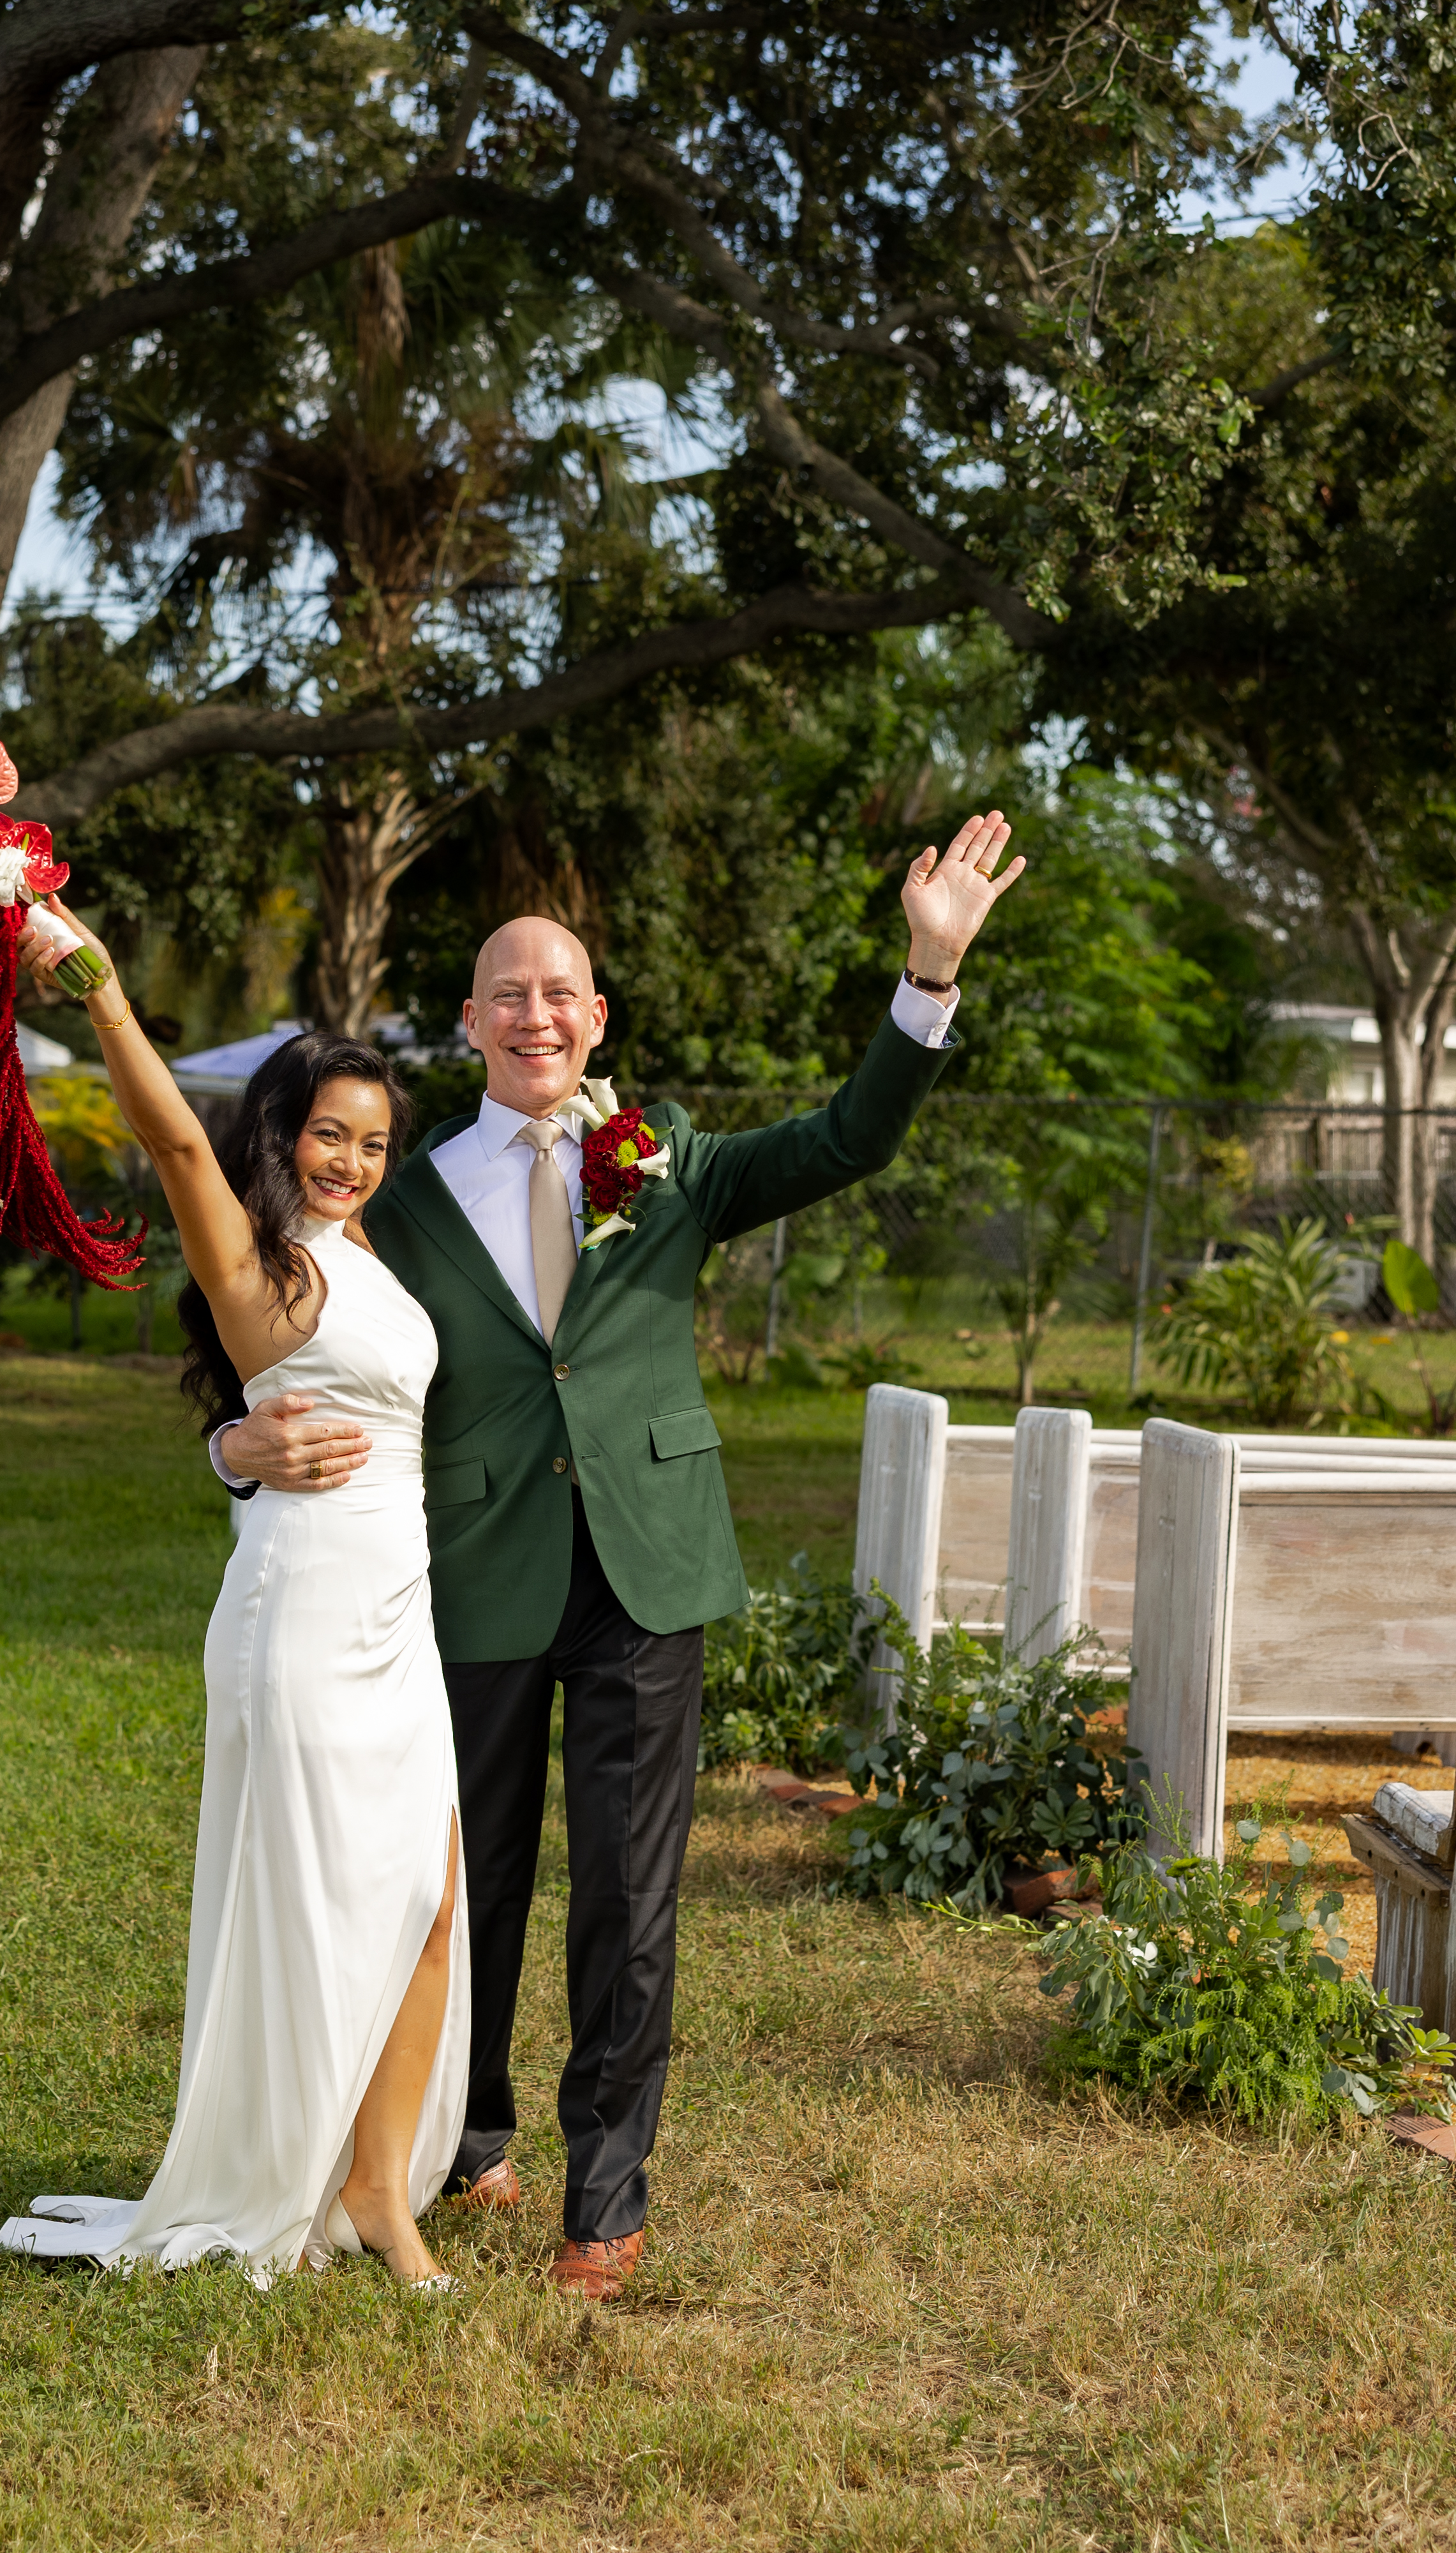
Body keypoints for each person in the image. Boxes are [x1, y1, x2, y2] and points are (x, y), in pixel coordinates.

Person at [213, 812, 1027, 2299]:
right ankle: (471, 2135)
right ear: (469, 1024)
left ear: (597, 1019)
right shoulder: (393, 1193)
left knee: (631, 1896)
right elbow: (280, 1339)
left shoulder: (672, 1165)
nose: (536, 1011)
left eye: (561, 990)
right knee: (469, 1882)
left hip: (651, 1566)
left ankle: (608, 2194)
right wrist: (231, 1447)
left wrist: (930, 969)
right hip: (467, 1568)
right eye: (507, 991)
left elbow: (852, 1136)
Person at [0, 943, 469, 2288]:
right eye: (330, 1132)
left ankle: (379, 2189)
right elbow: (176, 1147)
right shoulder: (260, 1264)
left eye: (374, 1139)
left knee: (430, 1901)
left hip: (401, 1610)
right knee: (327, 1902)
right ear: (284, 1130)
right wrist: (96, 987)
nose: (353, 1159)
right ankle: (287, 2171)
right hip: (305, 1613)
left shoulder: (370, 1249)